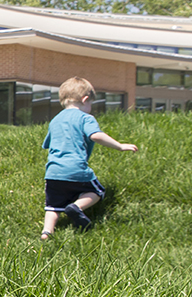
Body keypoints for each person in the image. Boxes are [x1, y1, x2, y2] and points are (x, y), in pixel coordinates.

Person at [40, 76, 138, 241]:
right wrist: (120, 146)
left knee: (52, 206)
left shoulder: (55, 120)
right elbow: (96, 135)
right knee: (97, 191)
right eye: (91, 103)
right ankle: (76, 207)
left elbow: (47, 144)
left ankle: (46, 232)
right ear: (85, 100)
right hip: (76, 168)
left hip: (53, 171)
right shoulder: (85, 118)